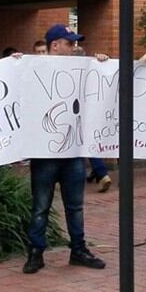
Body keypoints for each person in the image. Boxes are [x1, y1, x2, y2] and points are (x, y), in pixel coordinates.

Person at [23, 24, 108, 274]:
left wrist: (101, 63)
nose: (74, 48)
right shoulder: (32, 68)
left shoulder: (80, 68)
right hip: (45, 152)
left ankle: (78, 249)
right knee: (41, 206)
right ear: (55, 45)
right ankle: (36, 252)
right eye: (69, 43)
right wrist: (16, 64)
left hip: (72, 151)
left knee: (75, 206)